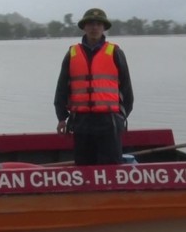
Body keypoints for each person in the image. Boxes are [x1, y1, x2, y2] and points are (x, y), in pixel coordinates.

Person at [54, 8, 134, 165]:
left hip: (109, 122)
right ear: (84, 27)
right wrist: (61, 117)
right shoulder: (72, 54)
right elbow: (61, 88)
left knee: (111, 167)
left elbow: (127, 90)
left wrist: (122, 117)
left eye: (98, 24)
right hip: (81, 122)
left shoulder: (115, 52)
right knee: (84, 167)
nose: (94, 27)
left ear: (104, 28)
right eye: (90, 24)